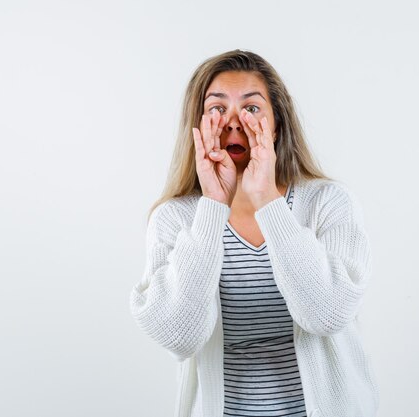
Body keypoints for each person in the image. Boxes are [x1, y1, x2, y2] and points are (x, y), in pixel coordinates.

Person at [129, 49, 379, 417]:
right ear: (197, 126)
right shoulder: (176, 218)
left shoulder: (329, 203)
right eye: (217, 108)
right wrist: (213, 206)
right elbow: (178, 337)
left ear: (277, 123)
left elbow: (327, 315)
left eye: (251, 108)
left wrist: (266, 198)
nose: (234, 121)